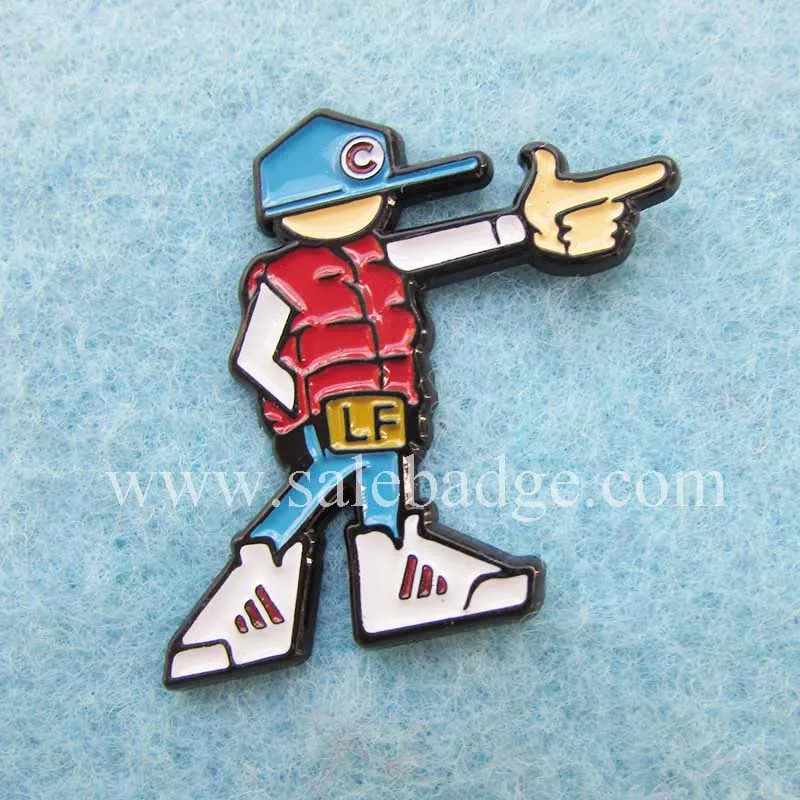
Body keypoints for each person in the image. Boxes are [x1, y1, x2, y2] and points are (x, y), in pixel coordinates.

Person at [164, 109, 679, 686]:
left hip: (389, 402)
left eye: (380, 195)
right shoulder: (283, 273)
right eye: (365, 195)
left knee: (373, 476)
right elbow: (253, 357)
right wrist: (298, 409)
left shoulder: (384, 256)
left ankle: (394, 573)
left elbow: (467, 241)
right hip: (326, 407)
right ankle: (253, 590)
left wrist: (526, 225)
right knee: (330, 477)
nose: (377, 206)